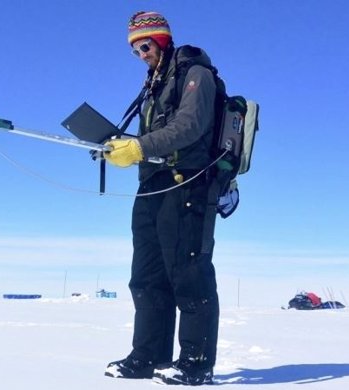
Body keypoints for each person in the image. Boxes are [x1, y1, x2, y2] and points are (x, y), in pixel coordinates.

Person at [102, 11, 220, 386]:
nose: (141, 54)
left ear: (163, 39)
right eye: (135, 49)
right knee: (146, 276)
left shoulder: (195, 74)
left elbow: (189, 126)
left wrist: (137, 147)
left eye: (145, 45)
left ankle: (196, 362)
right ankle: (148, 356)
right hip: (153, 186)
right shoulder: (153, 83)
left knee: (188, 273)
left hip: (188, 184)